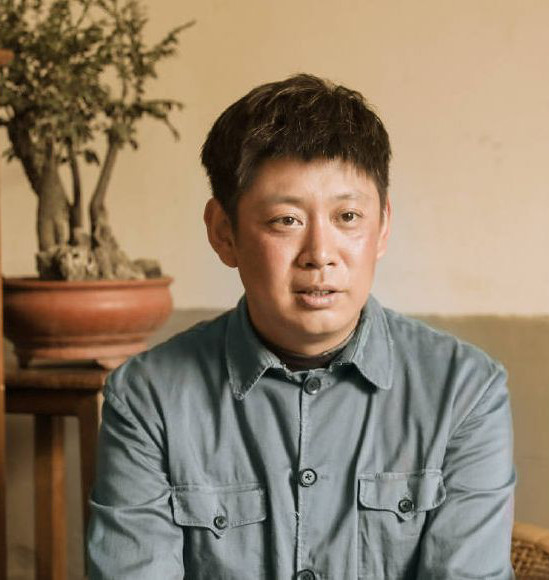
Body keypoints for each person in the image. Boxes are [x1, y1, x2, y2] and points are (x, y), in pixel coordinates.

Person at [87, 74, 516, 579]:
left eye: (348, 216)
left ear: (382, 226)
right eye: (286, 220)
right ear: (224, 233)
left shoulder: (464, 391)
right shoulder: (148, 398)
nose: (320, 255)